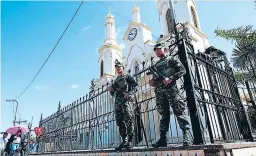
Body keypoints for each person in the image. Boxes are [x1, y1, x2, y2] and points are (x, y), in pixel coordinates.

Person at [149, 43, 191, 147]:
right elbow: (156, 80)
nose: (157, 51)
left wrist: (171, 78)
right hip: (160, 92)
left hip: (171, 90)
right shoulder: (154, 65)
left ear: (165, 49)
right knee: (164, 115)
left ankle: (187, 137)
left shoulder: (172, 59)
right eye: (155, 50)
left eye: (159, 49)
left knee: (179, 112)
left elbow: (182, 70)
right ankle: (163, 139)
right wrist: (153, 82)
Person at [107, 60, 138, 150]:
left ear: (122, 67)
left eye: (119, 66)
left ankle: (130, 141)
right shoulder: (115, 81)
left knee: (128, 120)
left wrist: (130, 94)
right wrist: (111, 90)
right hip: (118, 103)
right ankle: (124, 140)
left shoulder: (127, 76)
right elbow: (114, 94)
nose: (117, 68)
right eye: (116, 67)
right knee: (119, 121)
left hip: (126, 102)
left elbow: (136, 86)